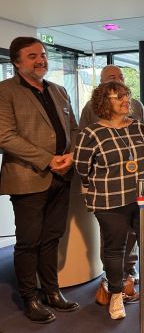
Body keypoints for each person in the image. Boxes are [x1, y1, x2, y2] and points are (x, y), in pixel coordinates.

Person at [74, 81, 144, 320]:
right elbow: (82, 167)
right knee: (115, 249)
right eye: (118, 97)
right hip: (110, 202)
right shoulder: (91, 133)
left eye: (127, 95)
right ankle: (115, 295)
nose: (126, 100)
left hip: (143, 199)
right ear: (104, 103)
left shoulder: (139, 127)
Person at [0, 37, 80, 324]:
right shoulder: (4, 92)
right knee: (28, 242)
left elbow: (73, 128)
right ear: (17, 62)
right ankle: (29, 298)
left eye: (43, 54)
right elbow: (4, 136)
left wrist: (70, 156)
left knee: (51, 238)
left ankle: (51, 292)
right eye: (32, 55)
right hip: (28, 178)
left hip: (63, 175)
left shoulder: (58, 90)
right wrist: (48, 159)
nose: (41, 60)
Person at [79, 64, 144, 284]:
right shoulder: (91, 113)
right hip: (109, 194)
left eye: (121, 77)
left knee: (135, 236)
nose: (118, 81)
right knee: (113, 240)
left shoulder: (136, 109)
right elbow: (83, 164)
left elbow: (143, 145)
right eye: (111, 78)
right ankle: (113, 280)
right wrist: (94, 184)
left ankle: (129, 269)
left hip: (136, 189)